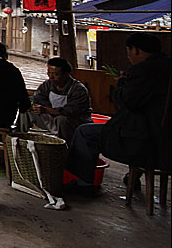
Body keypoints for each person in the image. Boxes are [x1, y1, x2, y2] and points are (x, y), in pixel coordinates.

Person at [66, 32, 170, 190]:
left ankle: (84, 183)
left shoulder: (142, 71)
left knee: (85, 133)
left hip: (144, 139)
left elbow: (128, 102)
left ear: (135, 50)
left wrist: (121, 83)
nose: (129, 57)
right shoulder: (166, 66)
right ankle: (134, 175)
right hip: (164, 137)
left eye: (128, 52)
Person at [19, 56, 91, 145]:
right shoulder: (48, 85)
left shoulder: (78, 89)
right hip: (52, 117)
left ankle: (65, 147)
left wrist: (48, 110)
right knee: (25, 110)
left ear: (66, 74)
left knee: (62, 119)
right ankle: (19, 140)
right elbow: (37, 98)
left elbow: (71, 111)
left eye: (56, 74)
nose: (51, 77)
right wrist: (34, 106)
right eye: (49, 73)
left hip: (74, 122)